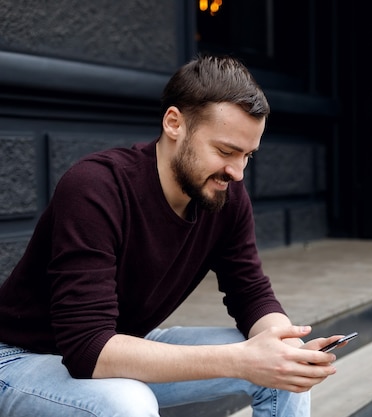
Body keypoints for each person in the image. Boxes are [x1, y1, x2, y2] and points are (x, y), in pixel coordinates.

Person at [0, 54, 344, 417]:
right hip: (21, 359)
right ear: (174, 123)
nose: (238, 172)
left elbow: (251, 292)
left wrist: (282, 342)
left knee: (282, 365)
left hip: (124, 342)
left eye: (248, 156)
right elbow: (88, 348)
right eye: (226, 151)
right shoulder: (95, 188)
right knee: (127, 405)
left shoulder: (225, 194)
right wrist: (240, 361)